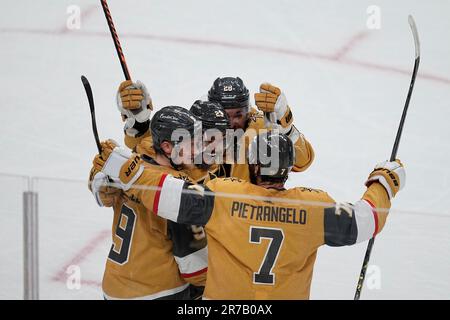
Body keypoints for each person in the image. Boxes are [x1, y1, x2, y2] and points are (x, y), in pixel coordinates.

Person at [92, 131, 405, 299]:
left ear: (253, 165)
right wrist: (383, 184)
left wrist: (129, 170)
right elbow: (367, 220)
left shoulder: (225, 195)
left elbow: (172, 198)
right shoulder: (313, 207)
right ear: (287, 169)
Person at [89, 106, 208, 299]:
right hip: (160, 291)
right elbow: (195, 267)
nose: (198, 149)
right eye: (191, 143)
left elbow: (103, 185)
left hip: (113, 287)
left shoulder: (131, 170)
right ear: (168, 147)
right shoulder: (176, 189)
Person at [207, 77, 315, 180]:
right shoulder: (201, 127)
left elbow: (303, 161)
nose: (230, 123)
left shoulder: (262, 128)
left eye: (238, 115)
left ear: (247, 111)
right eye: (224, 115)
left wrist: (287, 131)